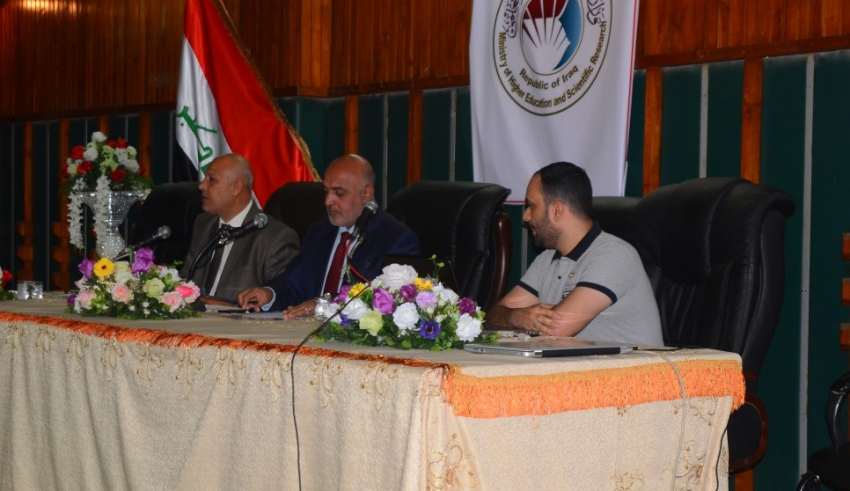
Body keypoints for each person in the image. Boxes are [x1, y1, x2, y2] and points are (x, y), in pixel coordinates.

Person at [488, 161, 663, 346]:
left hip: (634, 365)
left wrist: (517, 318)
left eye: (532, 206)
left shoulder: (615, 256)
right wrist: (515, 316)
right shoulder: (546, 259)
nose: (525, 216)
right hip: (579, 364)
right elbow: (493, 316)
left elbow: (555, 331)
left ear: (556, 210)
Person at [237, 154, 420, 317]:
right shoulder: (319, 231)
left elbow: (384, 302)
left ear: (366, 193)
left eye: (339, 193)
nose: (328, 201)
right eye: (326, 191)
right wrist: (269, 294)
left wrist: (324, 306)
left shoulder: (395, 239)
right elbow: (292, 284)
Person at [182, 153, 300, 304]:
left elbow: (280, 299)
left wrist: (228, 307)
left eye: (211, 180)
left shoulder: (276, 237)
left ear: (236, 188)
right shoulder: (203, 223)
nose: (201, 186)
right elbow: (186, 278)